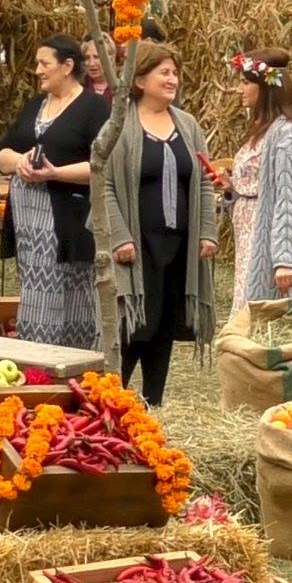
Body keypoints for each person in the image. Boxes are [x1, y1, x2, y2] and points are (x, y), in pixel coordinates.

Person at [99, 41, 220, 405]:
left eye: (175, 73)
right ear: (139, 80)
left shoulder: (188, 125)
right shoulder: (119, 125)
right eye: (164, 73)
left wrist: (208, 230)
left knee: (164, 323)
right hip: (137, 243)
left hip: (179, 243)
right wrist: (119, 237)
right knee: (135, 323)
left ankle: (154, 403)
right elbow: (104, 185)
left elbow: (203, 180)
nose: (173, 80)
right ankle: (114, 402)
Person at [0, 36, 110, 349]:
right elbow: (2, 152)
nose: (37, 70)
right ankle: (36, 362)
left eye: (44, 63)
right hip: (28, 223)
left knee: (73, 295)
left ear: (68, 66)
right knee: (34, 290)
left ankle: (73, 362)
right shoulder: (36, 105)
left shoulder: (93, 107)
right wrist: (19, 161)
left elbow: (104, 166)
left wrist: (55, 173)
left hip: (69, 220)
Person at [227, 47, 292, 309]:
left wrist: (284, 259)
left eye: (245, 83)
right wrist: (232, 187)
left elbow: (290, 198)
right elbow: (259, 186)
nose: (239, 89)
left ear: (266, 87)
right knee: (246, 307)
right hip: (249, 235)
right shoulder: (264, 129)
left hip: (268, 240)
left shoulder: (287, 135)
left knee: (264, 311)